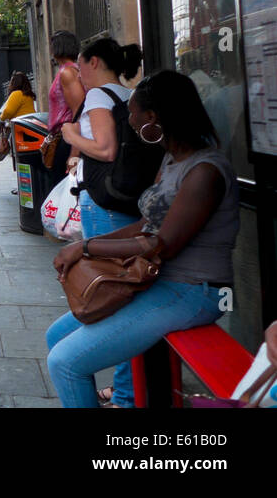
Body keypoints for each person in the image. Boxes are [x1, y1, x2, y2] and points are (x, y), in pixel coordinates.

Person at [47, 70, 239, 408]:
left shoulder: (205, 171)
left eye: (134, 112)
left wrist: (85, 246)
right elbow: (144, 225)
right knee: (56, 337)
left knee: (65, 363)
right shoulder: (171, 159)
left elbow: (159, 243)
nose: (130, 120)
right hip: (159, 281)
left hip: (196, 290)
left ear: (155, 117)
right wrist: (84, 249)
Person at [59, 37, 143, 407]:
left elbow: (106, 149)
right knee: (125, 293)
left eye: (81, 66)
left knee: (109, 296)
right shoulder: (128, 95)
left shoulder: (97, 97)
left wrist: (72, 136)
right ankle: (127, 388)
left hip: (104, 204)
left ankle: (125, 393)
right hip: (128, 203)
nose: (79, 74)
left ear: (93, 62)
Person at [46, 31, 86, 186]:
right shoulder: (69, 70)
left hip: (68, 140)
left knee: (62, 188)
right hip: (65, 138)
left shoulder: (68, 73)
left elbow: (79, 112)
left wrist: (74, 154)